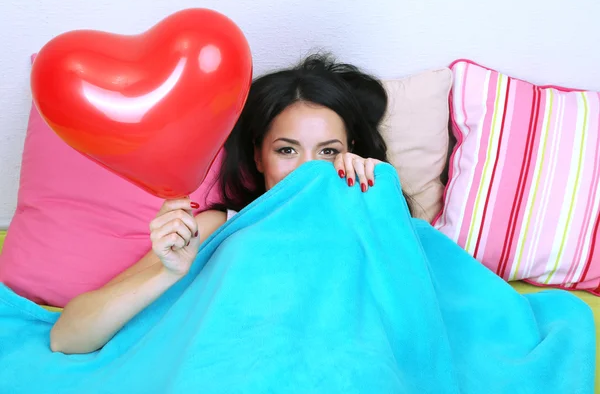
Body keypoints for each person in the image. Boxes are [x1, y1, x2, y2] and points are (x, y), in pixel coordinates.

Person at [49, 53, 414, 354]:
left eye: (328, 152)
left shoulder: (369, 217)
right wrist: (168, 273)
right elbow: (67, 337)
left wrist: (379, 202)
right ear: (258, 158)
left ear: (351, 153)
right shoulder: (218, 226)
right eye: (287, 150)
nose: (308, 172)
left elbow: (416, 319)